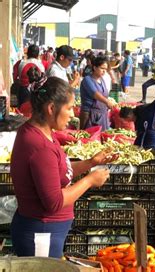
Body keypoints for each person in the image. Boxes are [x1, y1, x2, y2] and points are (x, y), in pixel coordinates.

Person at [10, 76, 117, 258]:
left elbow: (56, 171)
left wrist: (90, 163)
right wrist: (90, 180)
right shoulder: (40, 145)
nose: (73, 114)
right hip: (41, 233)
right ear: (51, 108)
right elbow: (54, 202)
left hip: (44, 231)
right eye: (68, 108)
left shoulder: (36, 132)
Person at [79, 55, 116, 131]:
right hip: (89, 114)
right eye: (102, 68)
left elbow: (104, 94)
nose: (104, 71)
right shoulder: (87, 80)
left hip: (101, 114)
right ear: (95, 68)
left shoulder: (102, 80)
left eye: (105, 69)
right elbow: (94, 93)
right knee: (89, 138)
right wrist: (107, 102)